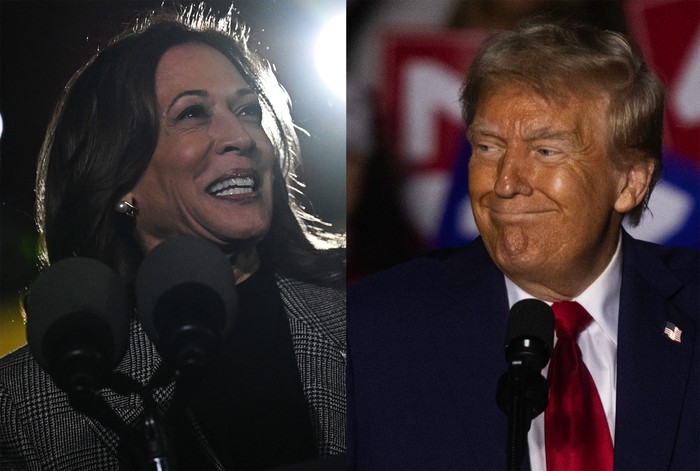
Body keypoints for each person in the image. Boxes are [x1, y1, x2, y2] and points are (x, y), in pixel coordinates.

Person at [0, 4, 345, 470]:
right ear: (119, 177)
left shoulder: (362, 303)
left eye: (247, 109)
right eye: (192, 114)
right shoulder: (30, 402)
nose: (239, 135)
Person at [347, 18, 699, 470]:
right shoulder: (369, 334)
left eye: (545, 151)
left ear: (630, 182)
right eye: (489, 148)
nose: (506, 183)